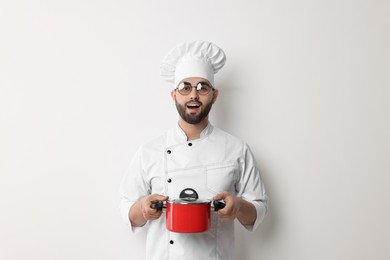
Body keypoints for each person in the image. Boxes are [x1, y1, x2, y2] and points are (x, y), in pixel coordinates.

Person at [119, 40, 267, 260]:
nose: (193, 95)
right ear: (174, 95)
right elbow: (128, 211)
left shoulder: (236, 149)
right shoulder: (149, 151)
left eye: (202, 87)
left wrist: (237, 207)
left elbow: (258, 209)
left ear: (214, 95)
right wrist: (143, 209)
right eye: (185, 87)